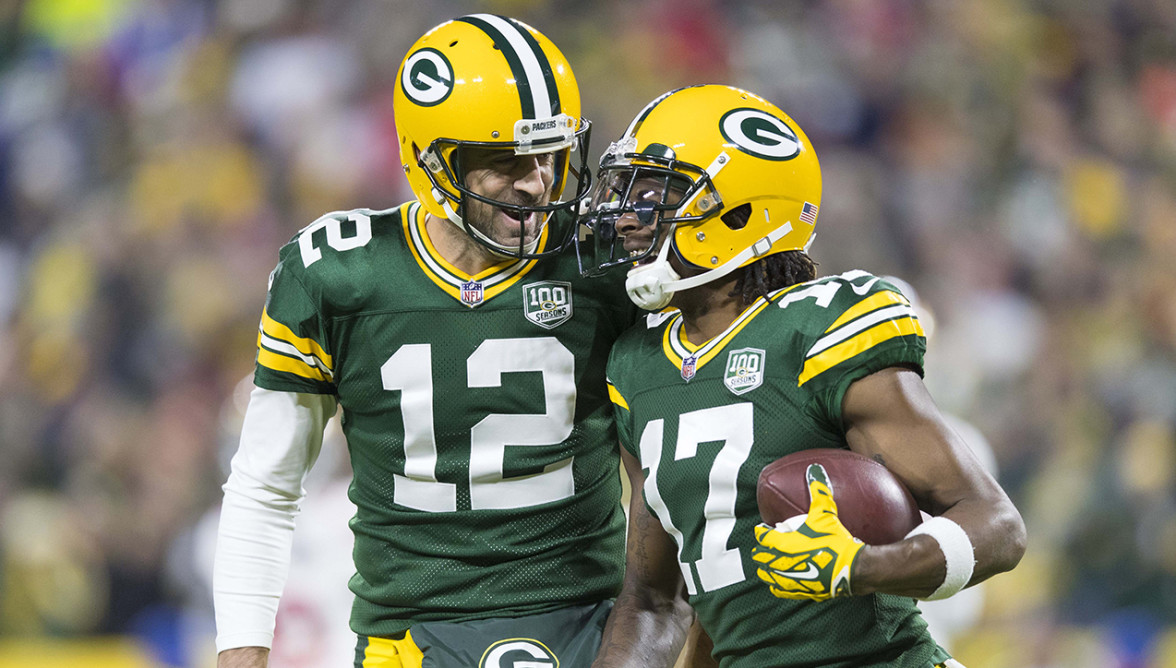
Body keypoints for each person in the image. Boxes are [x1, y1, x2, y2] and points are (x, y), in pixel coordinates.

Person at [213, 15, 647, 668]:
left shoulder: (607, 264)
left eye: (550, 154)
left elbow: (669, 468)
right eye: (505, 161)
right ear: (429, 160)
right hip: (409, 634)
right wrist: (241, 655)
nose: (536, 181)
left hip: (585, 620)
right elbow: (267, 485)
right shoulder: (338, 275)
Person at [575, 84, 1027, 667]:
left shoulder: (819, 329)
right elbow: (657, 600)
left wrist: (862, 567)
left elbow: (997, 525)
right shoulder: (637, 363)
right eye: (628, 192)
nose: (629, 219)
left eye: (655, 196)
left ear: (739, 213)